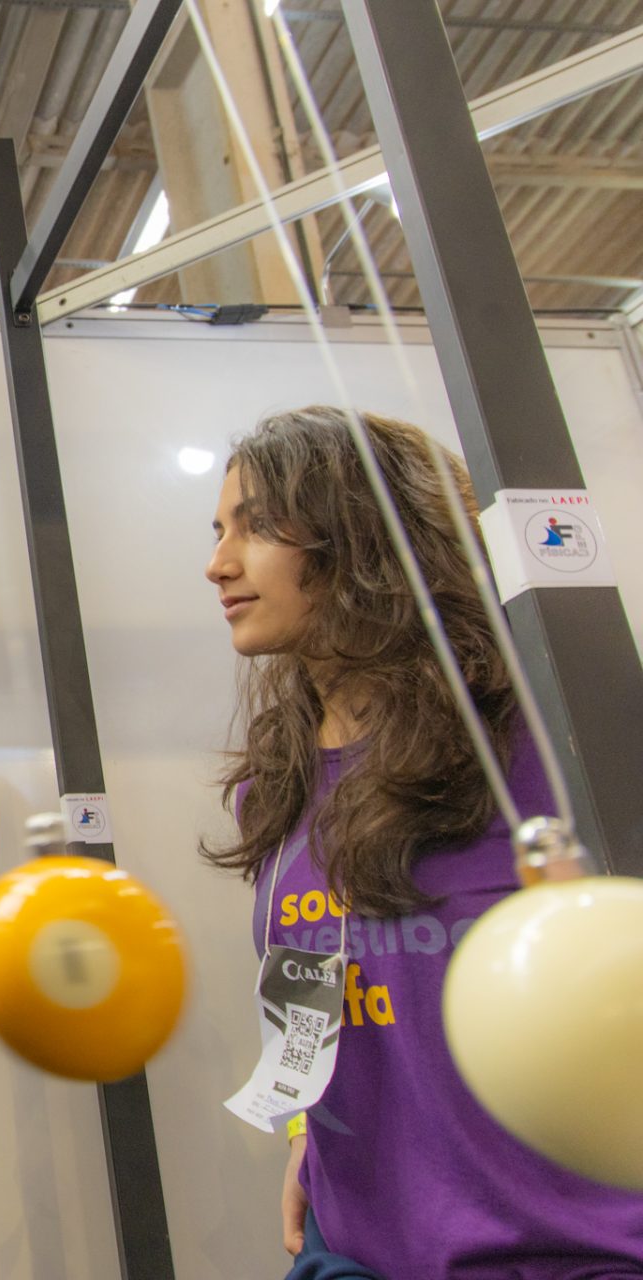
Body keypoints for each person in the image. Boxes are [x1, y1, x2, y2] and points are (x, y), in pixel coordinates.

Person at [202, 406, 643, 1279]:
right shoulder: (279, 779)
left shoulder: (545, 744)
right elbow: (311, 971)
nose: (218, 563)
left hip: (574, 1249)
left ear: (360, 535)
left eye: (256, 527)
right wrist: (306, 1128)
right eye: (218, 532)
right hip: (361, 1249)